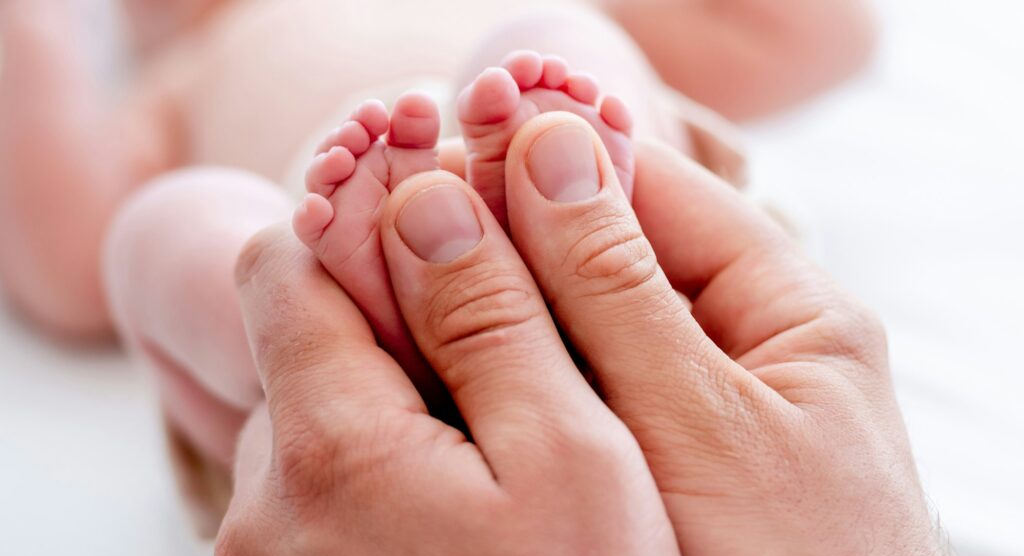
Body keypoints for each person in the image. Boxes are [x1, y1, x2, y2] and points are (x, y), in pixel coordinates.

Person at [215, 112, 975, 556]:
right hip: (336, 282)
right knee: (212, 236)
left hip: (311, 227)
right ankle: (543, 177)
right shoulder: (192, 60)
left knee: (197, 227)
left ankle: (397, 310)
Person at [0, 0, 875, 339]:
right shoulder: (179, 76)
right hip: (308, 252)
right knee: (173, 229)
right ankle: (302, 345)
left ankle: (578, 186)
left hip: (588, 203)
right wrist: (29, 34)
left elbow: (826, 33)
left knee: (556, 46)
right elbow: (69, 258)